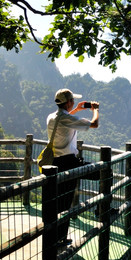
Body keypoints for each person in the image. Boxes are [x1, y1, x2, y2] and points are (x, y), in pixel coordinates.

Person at [46, 88, 99, 246]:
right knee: (104, 171)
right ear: (68, 102)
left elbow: (66, 118)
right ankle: (102, 209)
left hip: (56, 162)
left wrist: (77, 109)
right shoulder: (66, 119)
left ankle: (59, 238)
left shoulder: (52, 117)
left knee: (62, 201)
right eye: (72, 101)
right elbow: (94, 124)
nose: (74, 103)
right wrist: (95, 109)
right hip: (69, 162)